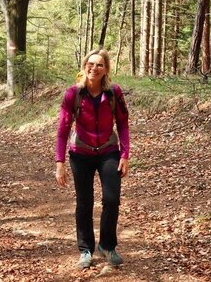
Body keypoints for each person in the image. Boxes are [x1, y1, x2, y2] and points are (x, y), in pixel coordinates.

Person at [55, 49, 130, 269]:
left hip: (108, 151)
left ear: (106, 69)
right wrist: (59, 163)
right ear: (84, 65)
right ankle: (85, 249)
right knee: (84, 202)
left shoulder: (114, 93)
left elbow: (123, 124)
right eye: (90, 63)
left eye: (99, 65)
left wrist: (125, 154)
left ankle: (107, 246)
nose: (94, 68)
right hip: (80, 154)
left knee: (112, 199)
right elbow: (62, 130)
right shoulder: (73, 94)